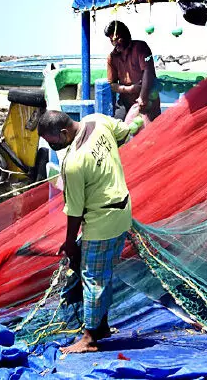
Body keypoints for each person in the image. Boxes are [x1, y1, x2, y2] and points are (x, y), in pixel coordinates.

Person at [38, 110, 138, 353]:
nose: (53, 147)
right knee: (102, 271)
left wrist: (70, 243)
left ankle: (89, 339)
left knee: (92, 277)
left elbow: (74, 211)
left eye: (53, 142)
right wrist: (139, 120)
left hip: (101, 221)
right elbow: (125, 132)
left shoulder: (73, 162)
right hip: (122, 214)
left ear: (63, 133)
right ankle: (101, 325)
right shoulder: (97, 121)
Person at [105, 21, 161, 122]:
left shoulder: (141, 47)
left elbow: (148, 71)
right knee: (118, 128)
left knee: (151, 131)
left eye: (117, 39)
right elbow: (112, 85)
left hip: (148, 99)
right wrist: (129, 89)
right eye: (111, 40)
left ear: (126, 35)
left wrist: (142, 97)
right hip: (125, 101)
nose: (115, 43)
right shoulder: (112, 57)